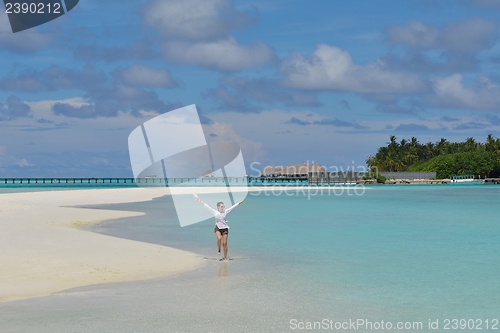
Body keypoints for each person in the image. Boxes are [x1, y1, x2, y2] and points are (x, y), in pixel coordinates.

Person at [195, 196, 245, 260]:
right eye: (221, 206)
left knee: (224, 243)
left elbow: (233, 207)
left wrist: (240, 202)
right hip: (218, 228)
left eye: (223, 206)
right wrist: (200, 200)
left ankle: (225, 257)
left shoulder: (225, 212)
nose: (222, 208)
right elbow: (206, 206)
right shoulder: (215, 212)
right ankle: (219, 249)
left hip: (225, 229)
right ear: (218, 207)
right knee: (219, 238)